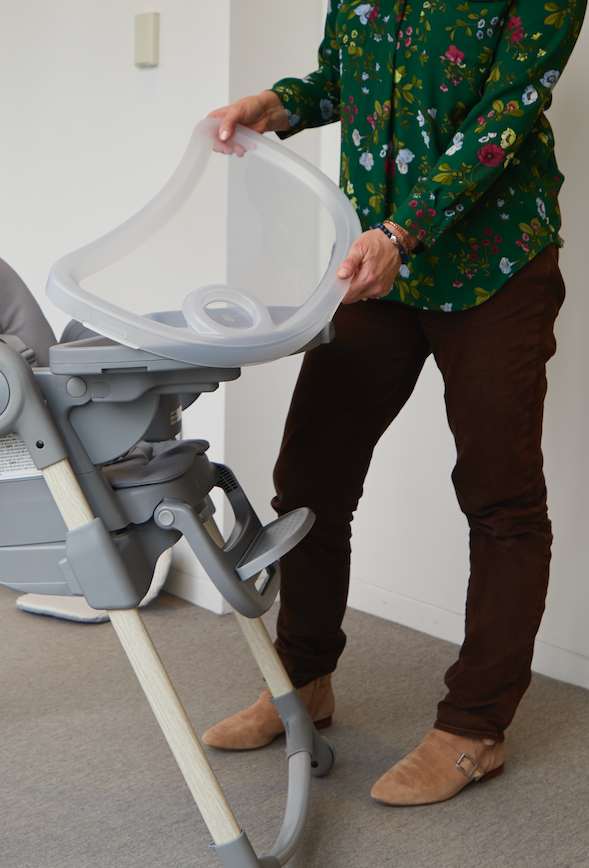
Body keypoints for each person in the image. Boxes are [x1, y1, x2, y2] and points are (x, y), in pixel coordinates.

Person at [201, 0, 586, 806]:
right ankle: (303, 679)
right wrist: (278, 106)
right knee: (310, 477)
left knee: (500, 494)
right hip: (381, 263)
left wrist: (404, 231)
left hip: (494, 265)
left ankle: (476, 727)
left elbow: (504, 115)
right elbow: (346, 78)